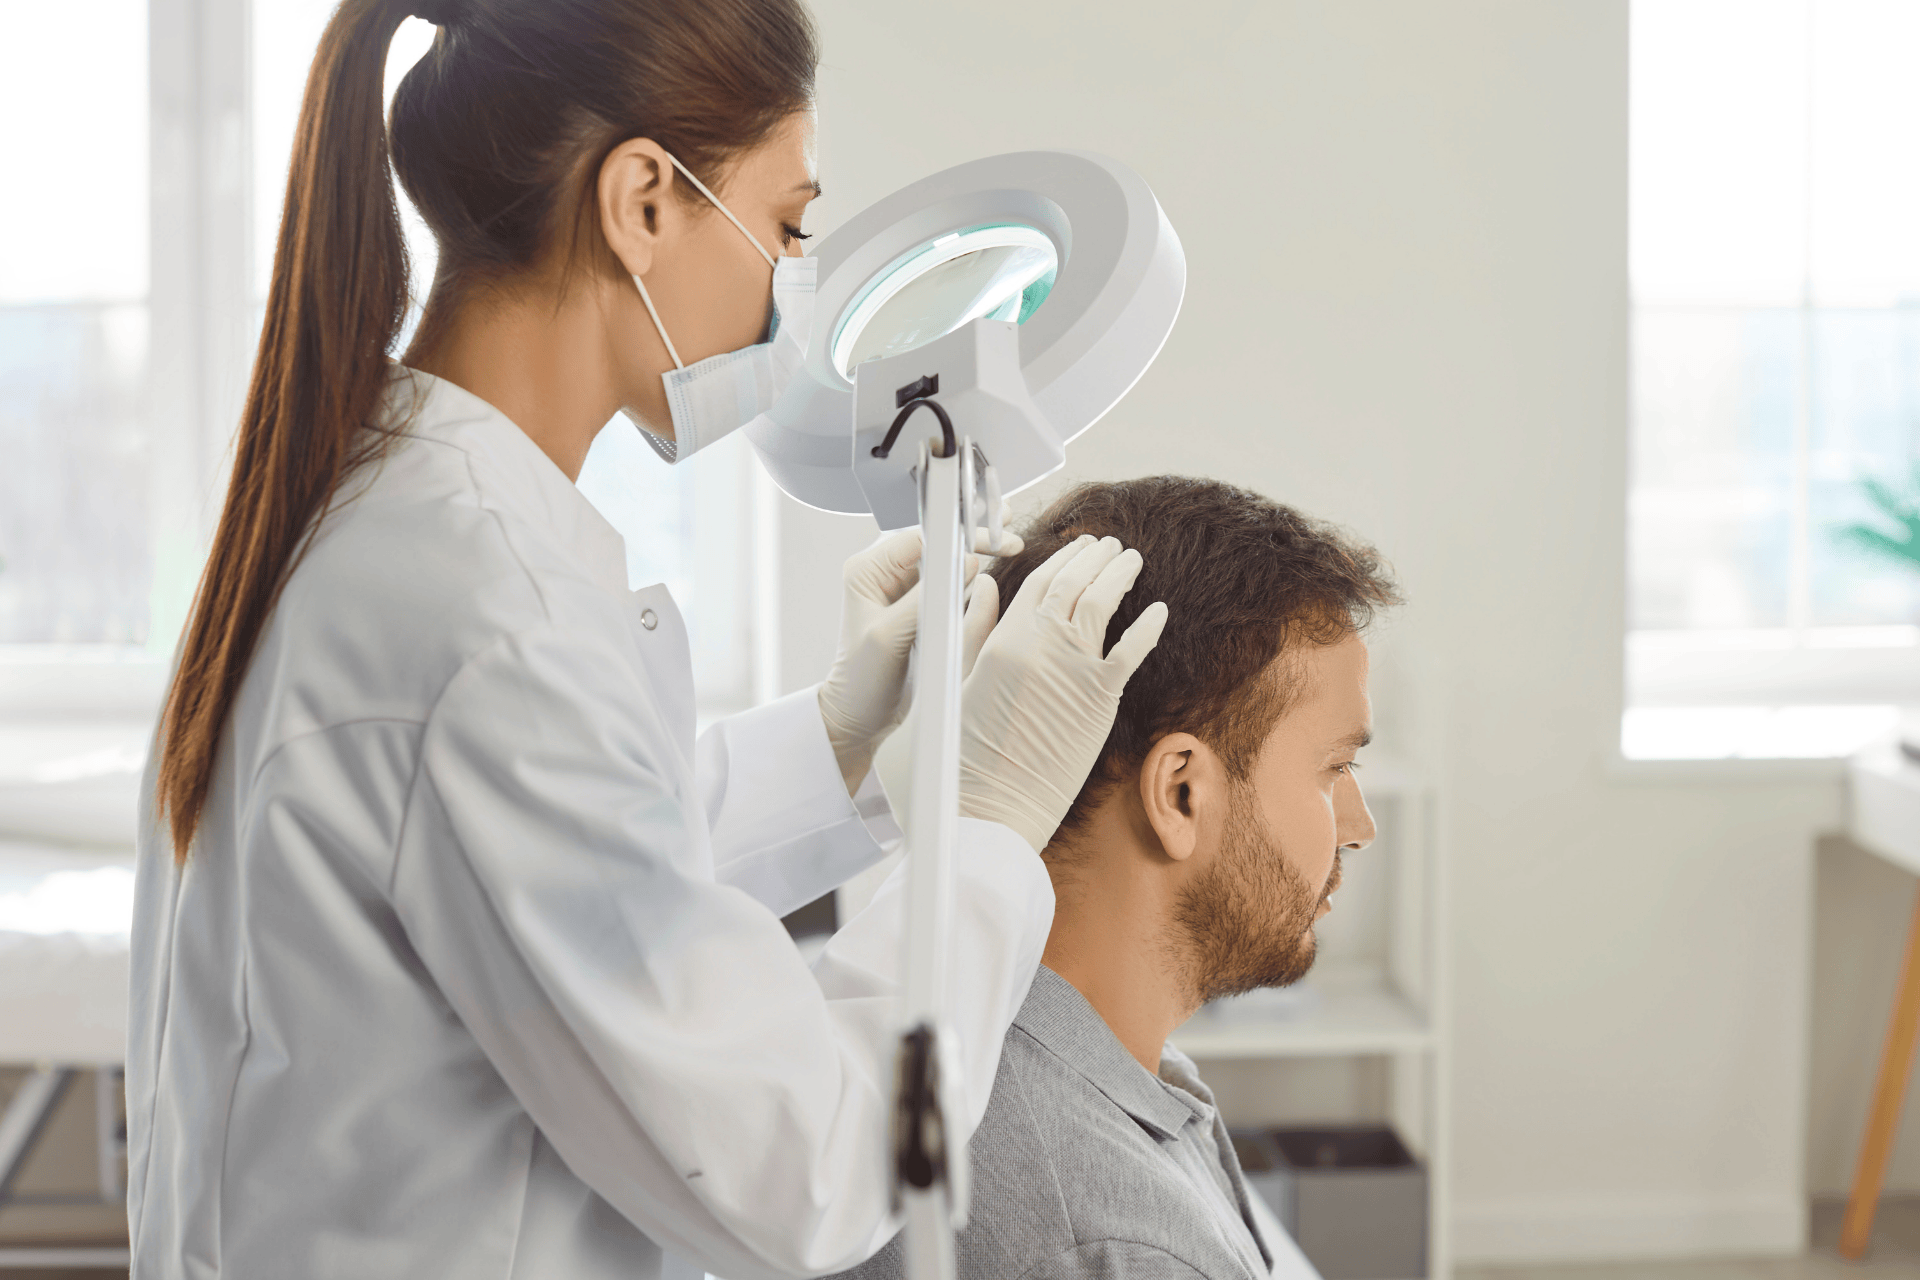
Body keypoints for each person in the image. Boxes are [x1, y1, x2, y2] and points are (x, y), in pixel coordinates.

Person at [124, 3, 1167, 1278]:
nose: (793, 284)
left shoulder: (383, 514)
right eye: (788, 226)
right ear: (644, 203)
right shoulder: (489, 618)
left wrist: (838, 737)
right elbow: (815, 1173)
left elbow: (564, 878)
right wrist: (989, 832)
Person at [833, 477, 1401, 1280]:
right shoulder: (1121, 1244)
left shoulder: (1082, 1062)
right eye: (1334, 767)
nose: (1359, 827)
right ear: (1180, 793)